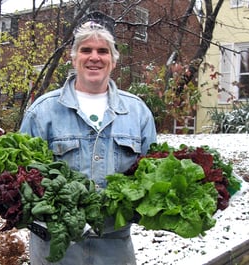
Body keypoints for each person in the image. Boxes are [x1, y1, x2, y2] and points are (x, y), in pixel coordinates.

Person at [19, 10, 157, 265]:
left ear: (114, 60)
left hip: (114, 246)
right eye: (86, 50)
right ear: (74, 58)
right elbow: (22, 177)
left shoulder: (137, 112)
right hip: (56, 247)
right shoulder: (43, 111)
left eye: (103, 51)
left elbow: (151, 176)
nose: (94, 57)